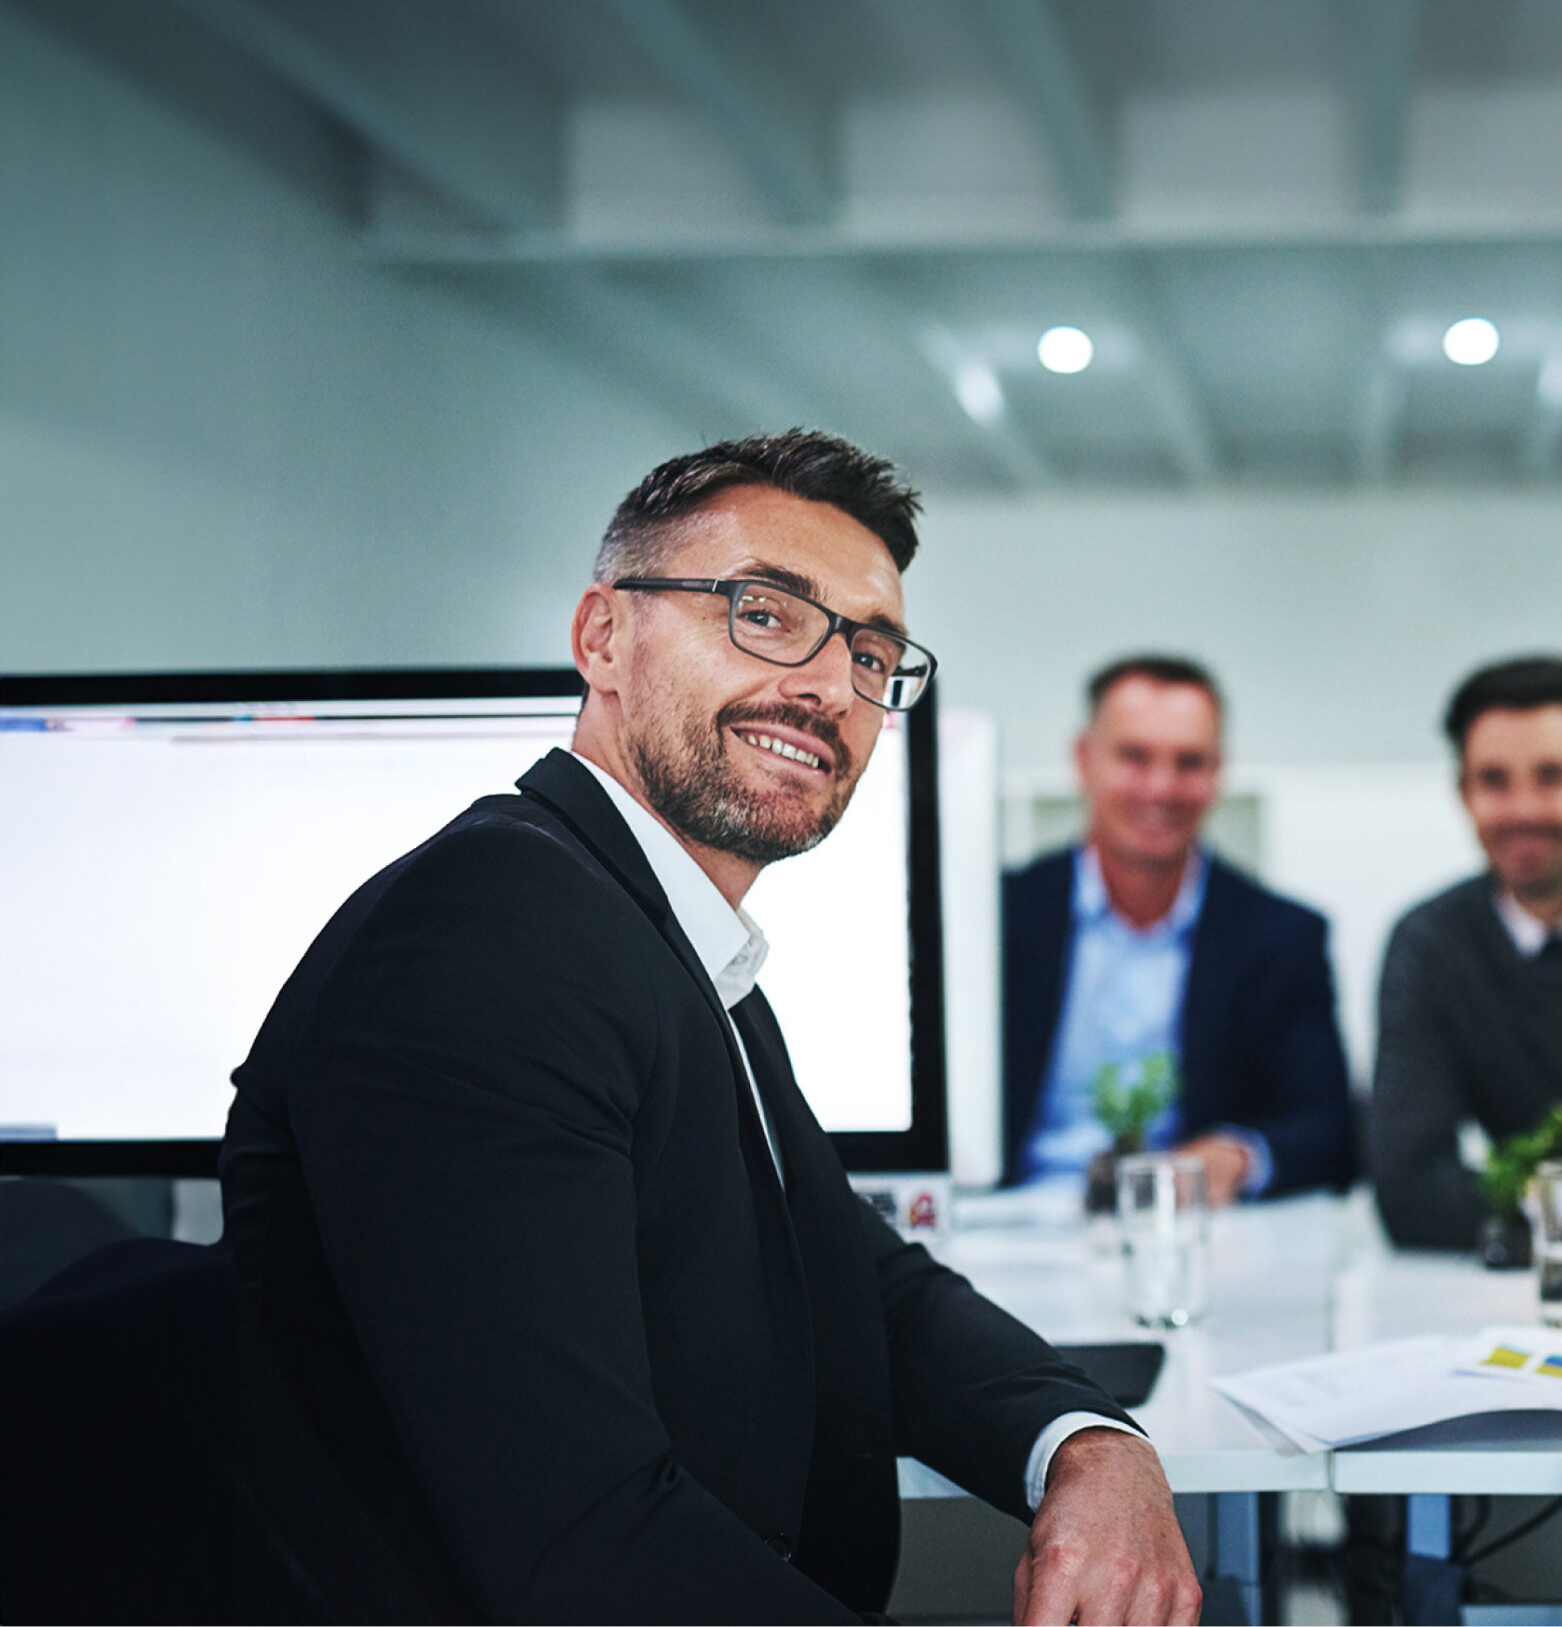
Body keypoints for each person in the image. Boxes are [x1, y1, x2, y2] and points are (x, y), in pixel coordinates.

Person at [221, 432, 1201, 1624]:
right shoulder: (487, 941)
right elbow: (580, 1539)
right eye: (763, 611)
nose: (830, 685)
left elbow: (856, 1282)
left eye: (872, 651)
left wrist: (1092, 1447)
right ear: (602, 639)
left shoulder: (660, 934)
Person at [1002, 657, 1356, 1205]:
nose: (1161, 787)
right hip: (1010, 1226)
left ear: (1218, 774)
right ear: (1083, 760)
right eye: (1134, 757)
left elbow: (1332, 1130)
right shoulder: (995, 918)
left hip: (1195, 1236)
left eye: (1189, 763)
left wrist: (1239, 1157)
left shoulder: (1282, 937)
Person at [1370, 656, 1562, 1250]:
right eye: (1495, 780)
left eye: (1551, 776)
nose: (1523, 809)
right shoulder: (1428, 943)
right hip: (1519, 1284)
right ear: (1463, 792)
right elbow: (1408, 1190)